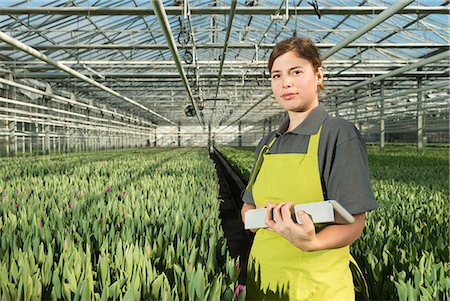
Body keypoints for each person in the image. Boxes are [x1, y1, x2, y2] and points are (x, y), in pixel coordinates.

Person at [241, 36, 378, 300]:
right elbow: (247, 206)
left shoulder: (337, 134)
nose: (286, 82)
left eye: (296, 72)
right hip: (264, 278)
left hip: (315, 285)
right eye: (276, 75)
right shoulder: (268, 143)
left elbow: (354, 223)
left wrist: (311, 241)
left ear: (318, 75)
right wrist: (265, 219)